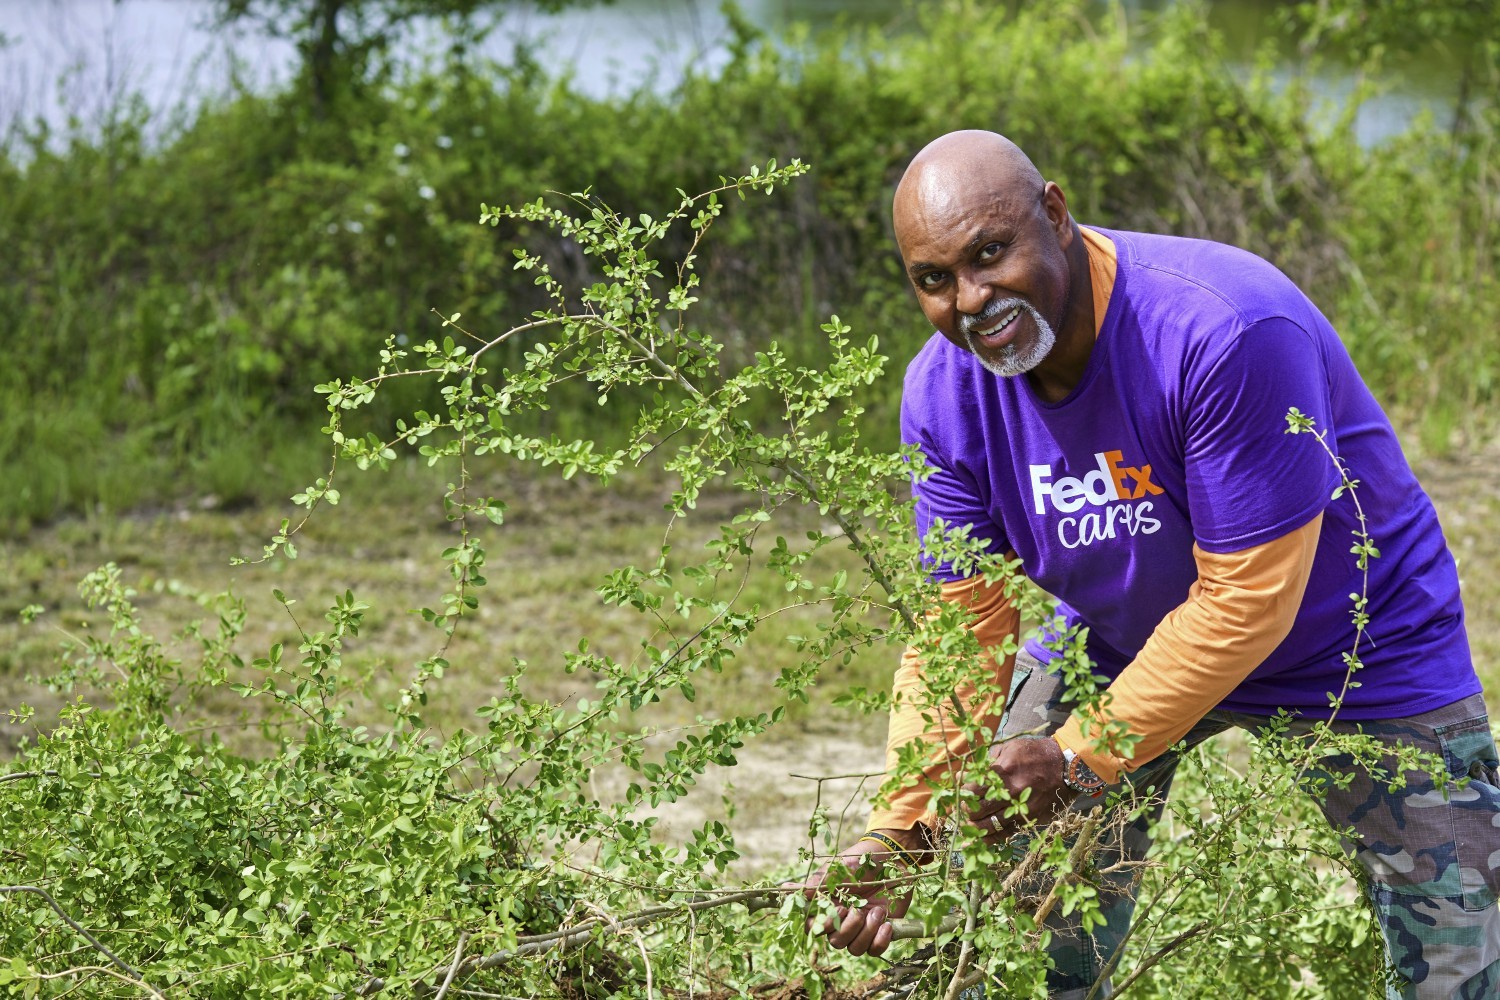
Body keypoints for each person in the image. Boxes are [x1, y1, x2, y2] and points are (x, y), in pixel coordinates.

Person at [798, 130, 1499, 998]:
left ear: (1054, 215)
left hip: (1356, 644)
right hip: (1124, 640)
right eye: (934, 279)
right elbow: (962, 628)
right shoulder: (944, 396)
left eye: (990, 253)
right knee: (1013, 937)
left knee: (1463, 961)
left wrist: (1079, 755)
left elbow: (1247, 602)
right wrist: (900, 828)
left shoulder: (1223, 328)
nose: (972, 302)